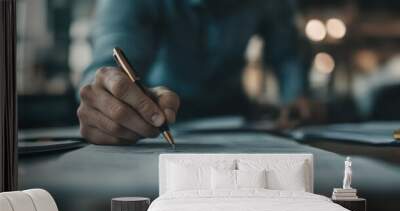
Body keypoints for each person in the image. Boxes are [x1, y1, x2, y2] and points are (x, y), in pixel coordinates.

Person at [78, 0, 308, 145]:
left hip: (236, 116)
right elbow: (111, 59)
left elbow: (286, 54)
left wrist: (295, 98)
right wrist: (107, 97)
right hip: (158, 115)